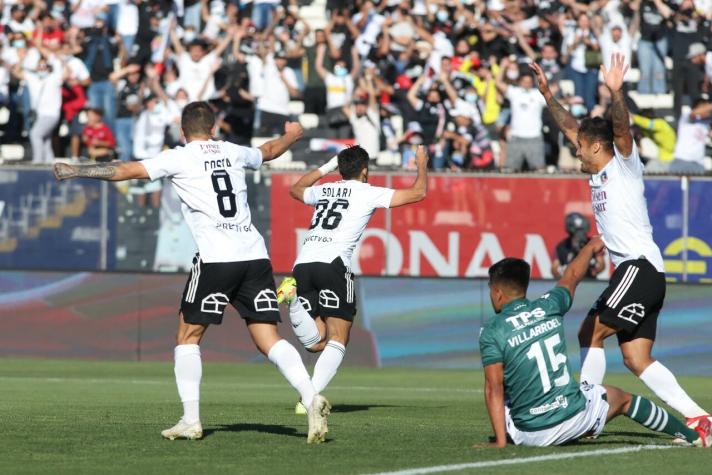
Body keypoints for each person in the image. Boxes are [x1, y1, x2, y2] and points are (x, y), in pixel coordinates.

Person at [52, 102, 331, 444]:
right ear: (213, 128)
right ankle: (309, 394)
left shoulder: (179, 157)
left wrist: (77, 170)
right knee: (268, 338)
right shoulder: (232, 151)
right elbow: (269, 150)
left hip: (216, 258)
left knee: (188, 337)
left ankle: (191, 419)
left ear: (183, 132)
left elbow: (125, 171)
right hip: (255, 256)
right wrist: (291, 135)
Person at [530, 53, 712, 432]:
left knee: (591, 330)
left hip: (638, 267)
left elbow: (622, 130)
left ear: (596, 147)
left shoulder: (623, 166)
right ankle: (701, 419)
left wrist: (616, 92)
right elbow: (569, 126)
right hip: (642, 272)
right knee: (636, 358)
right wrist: (547, 93)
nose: (575, 150)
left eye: (580, 146)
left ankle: (584, 413)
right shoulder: (596, 169)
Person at [479, 241, 710, 448]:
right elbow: (571, 275)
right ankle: (693, 436)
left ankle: (507, 434)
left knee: (506, 383)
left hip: (528, 435)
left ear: (497, 292)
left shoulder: (491, 329)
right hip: (573, 419)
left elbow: (493, 389)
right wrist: (589, 248)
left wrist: (500, 442)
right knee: (623, 399)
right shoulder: (550, 305)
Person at [275, 145, 429, 413]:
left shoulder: (324, 190)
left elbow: (295, 189)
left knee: (316, 343)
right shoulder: (368, 192)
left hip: (303, 264)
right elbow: (419, 192)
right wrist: (422, 163)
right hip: (333, 265)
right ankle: (308, 400)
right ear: (365, 170)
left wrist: (326, 167)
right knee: (338, 338)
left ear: (340, 167)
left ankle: (294, 302)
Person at [551, 212, 605, 280]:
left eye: (582, 232)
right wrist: (565, 277)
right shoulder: (562, 247)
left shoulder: (593, 244)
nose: (579, 236)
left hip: (589, 283)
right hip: (569, 283)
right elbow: (554, 269)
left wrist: (593, 271)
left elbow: (601, 264)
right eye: (577, 233)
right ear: (570, 232)